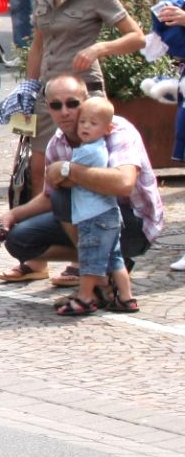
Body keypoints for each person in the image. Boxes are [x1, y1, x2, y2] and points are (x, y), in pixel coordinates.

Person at [0, 73, 163, 293]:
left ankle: (99, 278)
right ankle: (108, 262)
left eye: (72, 103)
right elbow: (49, 196)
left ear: (85, 101)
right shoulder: (57, 143)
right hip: (90, 217)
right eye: (56, 105)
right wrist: (12, 215)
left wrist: (68, 169)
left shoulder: (116, 129)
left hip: (133, 224)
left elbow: (124, 183)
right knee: (19, 240)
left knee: (64, 196)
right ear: (48, 107)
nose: (64, 111)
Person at [55, 98, 136, 316]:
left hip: (93, 216)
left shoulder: (87, 152)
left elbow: (67, 177)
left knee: (89, 258)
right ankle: (126, 298)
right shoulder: (99, 148)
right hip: (110, 214)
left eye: (93, 123)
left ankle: (85, 297)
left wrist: (63, 171)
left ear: (107, 129)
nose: (86, 127)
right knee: (114, 259)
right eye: (82, 122)